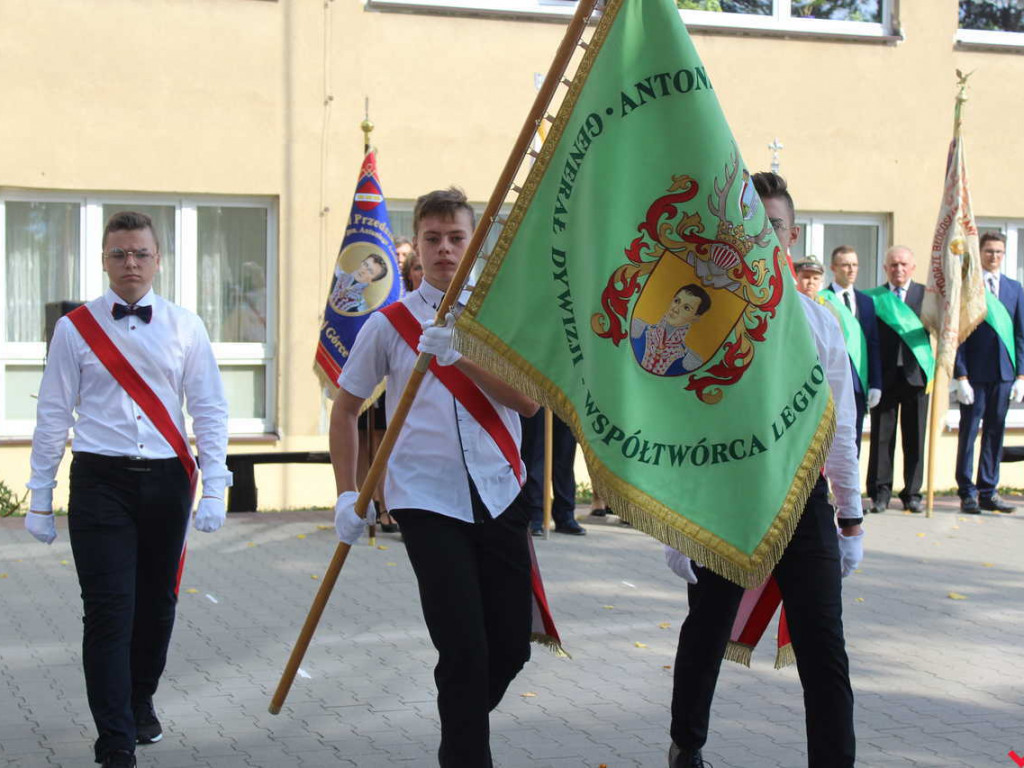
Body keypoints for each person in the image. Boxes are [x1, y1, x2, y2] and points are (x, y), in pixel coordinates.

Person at [329, 187, 540, 767]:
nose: (445, 250)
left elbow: (528, 403)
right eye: (433, 239)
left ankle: (460, 721)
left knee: (511, 648)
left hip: (500, 491)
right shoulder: (389, 323)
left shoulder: (504, 314)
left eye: (456, 238)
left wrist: (462, 355)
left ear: (473, 242)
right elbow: (346, 408)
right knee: (464, 649)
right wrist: (348, 492)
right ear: (415, 247)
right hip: (425, 501)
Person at [666, 172, 862, 768]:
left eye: (773, 226)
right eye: (751, 224)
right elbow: (677, 421)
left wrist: (850, 516)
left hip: (801, 502)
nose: (763, 235)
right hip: (723, 501)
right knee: (706, 631)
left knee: (824, 648)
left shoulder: (819, 322)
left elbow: (842, 426)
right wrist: (674, 520)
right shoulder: (704, 316)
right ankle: (686, 747)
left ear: (791, 233)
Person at [24, 211, 231, 768]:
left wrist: (216, 485)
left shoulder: (187, 326)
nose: (130, 263)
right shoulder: (75, 329)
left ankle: (140, 700)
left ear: (158, 259)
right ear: (104, 260)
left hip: (167, 480)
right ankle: (114, 738)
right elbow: (51, 415)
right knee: (109, 611)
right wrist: (39, 497)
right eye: (119, 253)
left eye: (140, 253)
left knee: (157, 607)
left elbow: (209, 409)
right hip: (99, 483)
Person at [953, 232, 1024, 513]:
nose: (994, 256)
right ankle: (967, 491)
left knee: (995, 432)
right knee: (969, 433)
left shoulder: (1015, 289)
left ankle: (988, 490)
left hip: (1004, 375)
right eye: (989, 251)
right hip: (974, 375)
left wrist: (1021, 376)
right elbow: (957, 334)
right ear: (980, 253)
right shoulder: (969, 286)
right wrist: (961, 376)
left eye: (999, 252)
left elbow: (1020, 335)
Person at [867, 245, 928, 514]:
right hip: (886, 376)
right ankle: (880, 492)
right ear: (885, 269)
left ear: (913, 267)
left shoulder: (927, 296)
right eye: (893, 265)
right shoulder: (874, 299)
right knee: (882, 437)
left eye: (903, 264)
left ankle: (912, 493)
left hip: (917, 376)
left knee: (915, 437)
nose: (899, 269)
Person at [821, 245, 882, 455]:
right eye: (845, 265)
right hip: (829, 380)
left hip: (857, 382)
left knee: (851, 439)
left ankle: (849, 487)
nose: (851, 269)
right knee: (825, 439)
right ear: (833, 268)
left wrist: (876, 383)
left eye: (855, 265)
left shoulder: (866, 302)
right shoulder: (821, 299)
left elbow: (873, 343)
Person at [520, 409, 586, 536]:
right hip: (539, 394)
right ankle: (535, 515)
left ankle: (565, 515)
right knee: (535, 452)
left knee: (565, 456)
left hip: (566, 394)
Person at [630, 283, 710, 375]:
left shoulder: (689, 361)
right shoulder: (637, 329)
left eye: (686, 308)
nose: (675, 309)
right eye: (677, 301)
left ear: (695, 317)